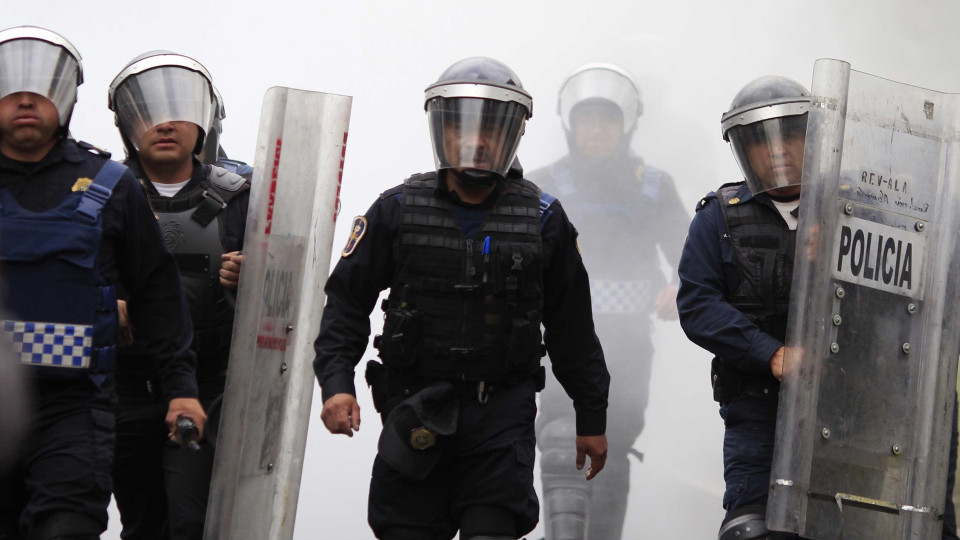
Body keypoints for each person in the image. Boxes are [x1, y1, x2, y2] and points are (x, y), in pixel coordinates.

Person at [313, 56, 610, 540]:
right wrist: (336, 383)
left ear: (512, 135)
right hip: (414, 407)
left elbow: (572, 329)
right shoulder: (396, 209)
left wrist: (590, 416)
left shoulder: (544, 220)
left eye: (492, 127)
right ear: (442, 131)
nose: (477, 139)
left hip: (501, 417)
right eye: (463, 127)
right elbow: (347, 302)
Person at [677, 75, 959, 539]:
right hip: (759, 407)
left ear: (814, 136)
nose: (778, 151)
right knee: (753, 528)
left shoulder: (864, 209)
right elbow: (698, 304)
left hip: (854, 409)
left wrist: (832, 258)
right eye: (762, 143)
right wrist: (770, 353)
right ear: (743, 151)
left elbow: (914, 306)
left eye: (789, 135)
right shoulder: (718, 217)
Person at [0, 27, 204, 540]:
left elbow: (158, 292)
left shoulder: (112, 186)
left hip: (74, 403)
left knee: (67, 525)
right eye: (10, 84)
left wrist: (181, 389)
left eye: (42, 85)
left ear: (67, 96)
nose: (26, 97)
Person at [527, 63, 689, 540]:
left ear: (627, 125)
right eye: (586, 120)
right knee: (561, 443)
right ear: (569, 125)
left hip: (629, 351)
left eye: (607, 120)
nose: (596, 131)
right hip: (556, 346)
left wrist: (682, 286)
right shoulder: (540, 185)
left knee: (611, 452)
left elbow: (690, 253)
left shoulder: (655, 187)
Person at [107, 51, 250, 540]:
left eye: (179, 110)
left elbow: (291, 293)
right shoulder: (97, 196)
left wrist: (254, 277)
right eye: (148, 112)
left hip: (207, 386)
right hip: (124, 387)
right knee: (142, 524)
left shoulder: (245, 198)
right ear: (127, 125)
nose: (164, 124)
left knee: (191, 522)